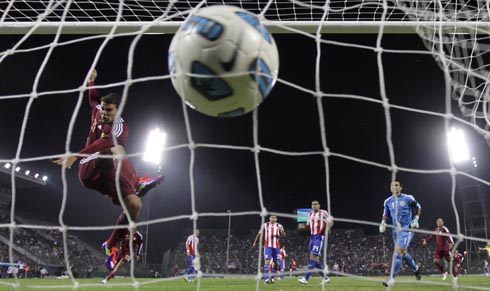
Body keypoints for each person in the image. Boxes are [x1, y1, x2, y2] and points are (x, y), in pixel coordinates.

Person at [53, 69, 164, 265]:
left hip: (105, 173)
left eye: (109, 110)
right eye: (104, 109)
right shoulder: (98, 111)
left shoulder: (120, 127)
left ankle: (111, 244)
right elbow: (93, 99)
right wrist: (91, 82)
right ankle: (138, 181)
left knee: (135, 205)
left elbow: (105, 142)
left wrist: (75, 155)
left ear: (118, 110)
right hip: (89, 166)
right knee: (116, 148)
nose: (104, 112)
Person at [379, 180, 422, 287]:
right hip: (395, 231)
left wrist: (416, 218)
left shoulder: (408, 198)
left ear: (401, 187)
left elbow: (418, 207)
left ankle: (391, 279)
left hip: (406, 229)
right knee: (403, 253)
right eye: (392, 185)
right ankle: (416, 268)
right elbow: (385, 214)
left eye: (396, 185)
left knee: (397, 252)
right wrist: (383, 222)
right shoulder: (387, 201)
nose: (394, 187)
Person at [298, 200, 333, 285]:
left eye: (316, 204)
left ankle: (306, 278)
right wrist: (303, 226)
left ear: (319, 205)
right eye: (313, 204)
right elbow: (308, 225)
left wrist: (327, 229)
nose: (314, 205)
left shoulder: (323, 212)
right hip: (312, 237)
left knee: (313, 257)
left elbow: (331, 221)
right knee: (314, 259)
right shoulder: (310, 214)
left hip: (319, 237)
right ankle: (326, 278)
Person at [253, 215, 286, 284]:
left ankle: (272, 278)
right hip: (268, 246)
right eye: (272, 218)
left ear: (276, 219)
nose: (273, 219)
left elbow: (283, 236)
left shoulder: (279, 226)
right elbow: (259, 234)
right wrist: (255, 242)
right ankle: (266, 279)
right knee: (267, 261)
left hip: (276, 247)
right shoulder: (265, 225)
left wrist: (282, 232)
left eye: (274, 218)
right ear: (269, 218)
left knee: (277, 264)